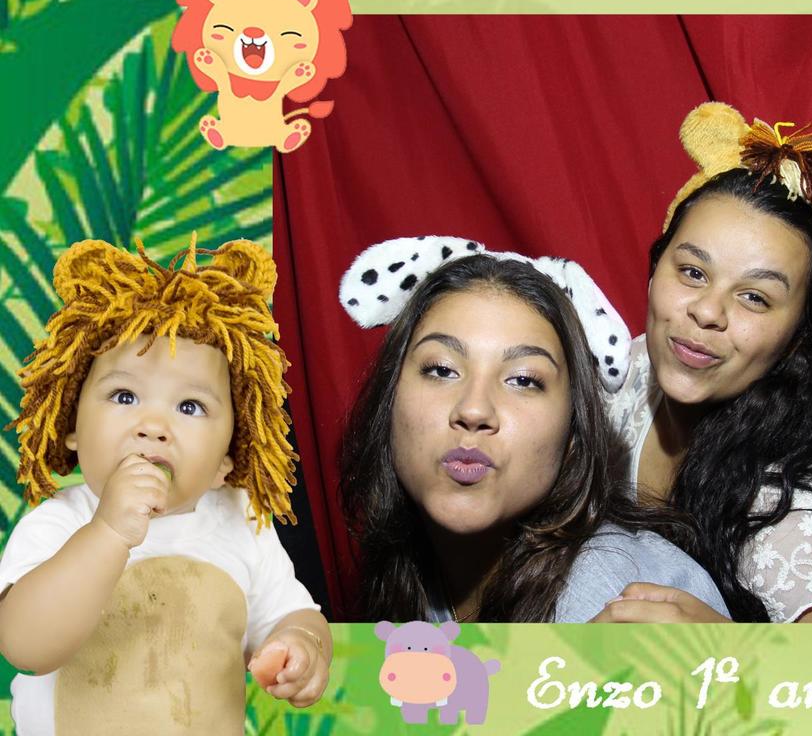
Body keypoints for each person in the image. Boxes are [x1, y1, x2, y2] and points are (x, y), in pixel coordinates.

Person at [594, 103, 812, 623]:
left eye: (755, 298)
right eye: (693, 272)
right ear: (654, 272)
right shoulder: (621, 372)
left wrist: (733, 653)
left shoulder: (792, 505)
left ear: (796, 339)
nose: (707, 312)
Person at [0, 237, 331, 735]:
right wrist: (108, 532)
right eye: (124, 395)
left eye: (190, 407)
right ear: (72, 426)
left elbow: (294, 613)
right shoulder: (60, 524)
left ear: (227, 457)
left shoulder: (242, 525)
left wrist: (301, 646)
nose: (154, 426)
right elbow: (25, 646)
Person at [338, 252, 729, 623]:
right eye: (442, 370)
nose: (473, 410)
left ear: (574, 433)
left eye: (523, 380)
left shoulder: (620, 593)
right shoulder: (412, 566)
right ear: (389, 401)